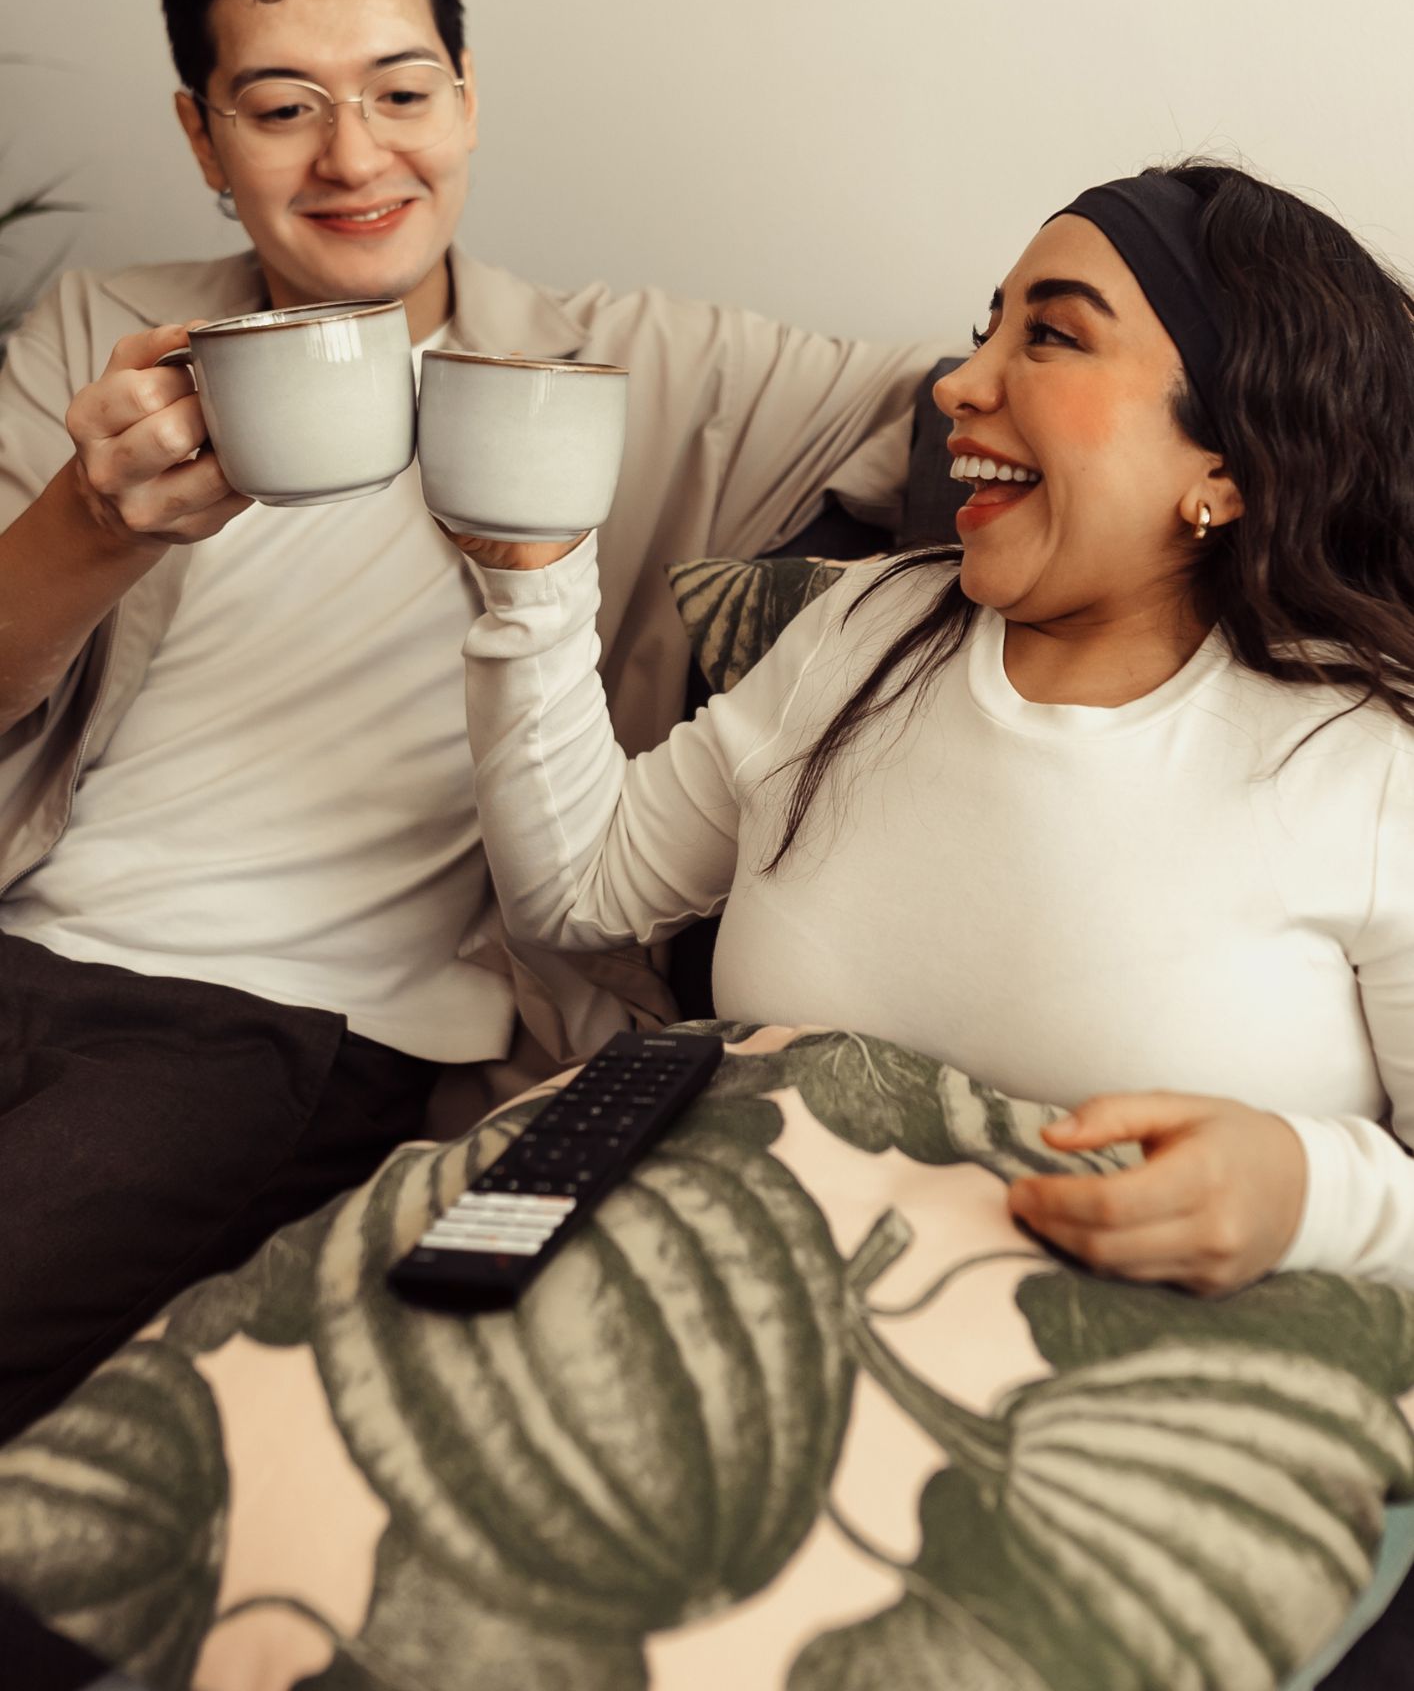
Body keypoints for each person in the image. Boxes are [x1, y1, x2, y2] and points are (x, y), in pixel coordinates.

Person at [0, 0, 948, 1437]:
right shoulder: (108, 334)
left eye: (401, 90)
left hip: (266, 1026)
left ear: (468, 95)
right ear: (202, 137)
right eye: (282, 105)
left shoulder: (622, 367)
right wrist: (91, 525)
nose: (354, 155)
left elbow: (958, 399)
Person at [458, 160, 1414, 1296]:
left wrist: (1311, 1191)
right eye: (984, 333)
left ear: (1227, 459)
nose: (959, 383)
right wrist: (533, 578)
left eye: (1050, 336)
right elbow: (580, 888)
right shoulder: (866, 624)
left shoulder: (1367, 760)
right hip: (718, 1299)